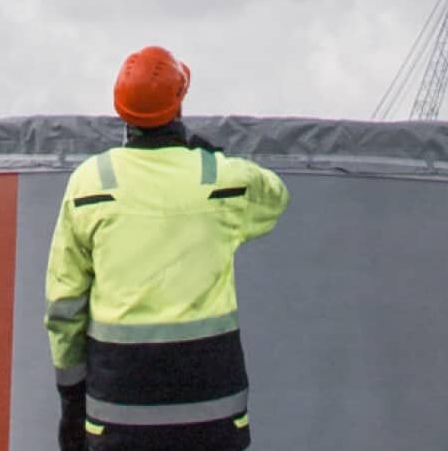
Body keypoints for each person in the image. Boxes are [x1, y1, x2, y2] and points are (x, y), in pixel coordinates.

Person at [45, 46, 289, 450]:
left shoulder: (91, 183)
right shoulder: (220, 180)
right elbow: (276, 196)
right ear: (179, 103)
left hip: (119, 411)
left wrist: (72, 399)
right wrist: (213, 156)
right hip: (211, 410)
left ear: (121, 111)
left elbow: (64, 305)